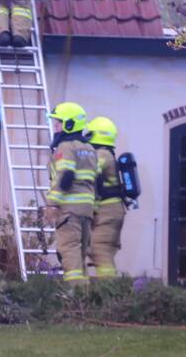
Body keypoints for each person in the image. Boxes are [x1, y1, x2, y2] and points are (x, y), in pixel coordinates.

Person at [45, 101, 98, 286]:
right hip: (86, 210)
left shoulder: (66, 146)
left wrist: (52, 204)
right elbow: (94, 181)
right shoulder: (90, 149)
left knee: (69, 251)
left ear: (69, 124)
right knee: (80, 254)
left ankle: (74, 294)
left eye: (58, 122)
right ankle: (84, 293)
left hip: (69, 210)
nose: (55, 126)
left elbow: (65, 176)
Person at [87, 117, 125, 280]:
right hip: (110, 210)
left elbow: (89, 171)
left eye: (89, 133)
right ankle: (108, 287)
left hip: (108, 211)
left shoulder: (102, 154)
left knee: (99, 249)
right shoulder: (105, 153)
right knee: (98, 249)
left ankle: (109, 288)